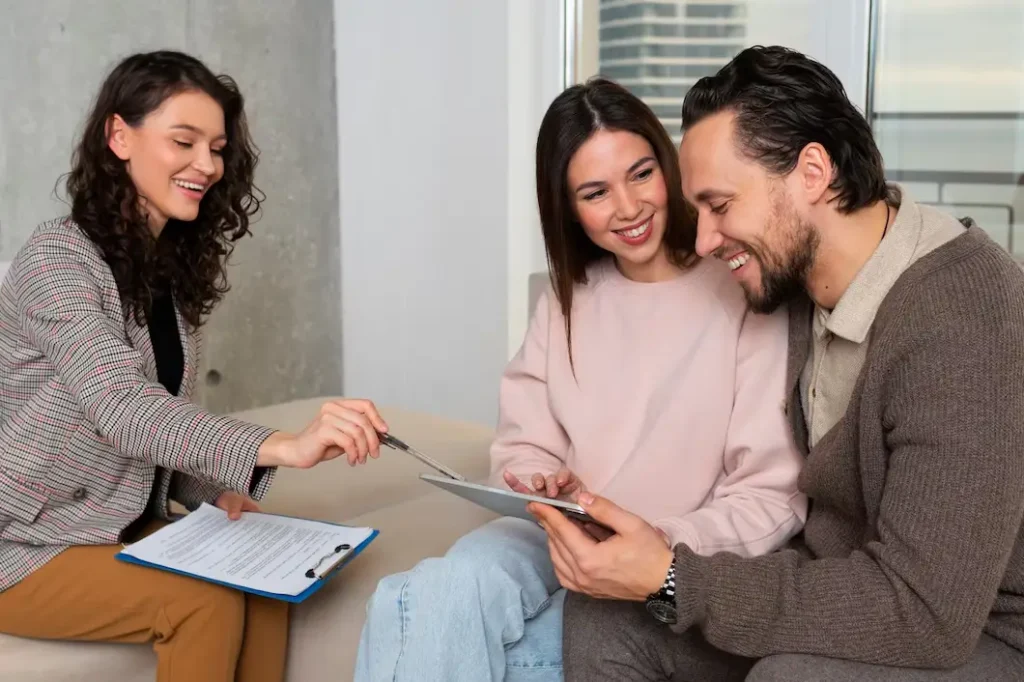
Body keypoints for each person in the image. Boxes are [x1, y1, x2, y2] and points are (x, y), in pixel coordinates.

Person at [532, 45, 1024, 681]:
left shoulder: (965, 316)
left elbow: (926, 613)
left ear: (812, 173)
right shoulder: (793, 282)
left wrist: (676, 578)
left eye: (721, 205)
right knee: (605, 614)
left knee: (787, 677)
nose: (704, 239)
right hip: (838, 587)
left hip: (981, 632)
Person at [353, 78, 807, 682]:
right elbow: (522, 443)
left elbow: (768, 496)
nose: (628, 207)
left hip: (666, 558)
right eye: (595, 192)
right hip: (552, 534)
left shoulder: (742, 288)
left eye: (641, 174)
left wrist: (655, 540)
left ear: (668, 168)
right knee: (440, 590)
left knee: (402, 615)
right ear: (567, 207)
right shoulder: (566, 302)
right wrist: (540, 480)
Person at [0, 50, 390, 682]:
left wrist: (215, 491)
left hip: (119, 516)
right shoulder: (55, 260)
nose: (206, 165)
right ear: (119, 136)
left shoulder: (167, 275)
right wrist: (283, 445)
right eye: (184, 141)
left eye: (216, 148)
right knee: (198, 599)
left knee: (265, 579)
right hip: (25, 539)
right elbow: (124, 410)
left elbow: (159, 434)